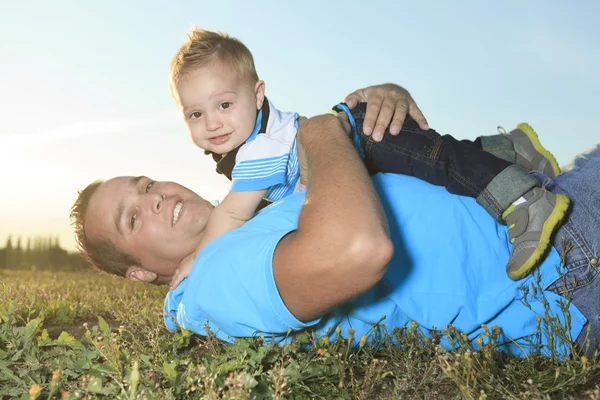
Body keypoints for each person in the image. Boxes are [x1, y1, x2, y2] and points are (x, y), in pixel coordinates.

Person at [71, 84, 600, 358]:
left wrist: (375, 101)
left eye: (145, 186)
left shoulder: (243, 220)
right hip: (559, 268)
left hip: (545, 216)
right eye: (133, 217)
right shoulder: (208, 285)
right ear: (139, 272)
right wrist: (325, 130)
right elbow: (356, 248)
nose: (156, 199)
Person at [167, 28, 568, 287]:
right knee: (432, 164)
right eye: (196, 114)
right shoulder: (247, 145)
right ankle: (511, 150)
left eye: (223, 104)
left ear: (257, 96)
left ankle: (525, 199)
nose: (213, 123)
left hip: (360, 139)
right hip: (353, 153)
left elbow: (233, 215)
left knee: (438, 162)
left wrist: (197, 257)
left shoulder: (257, 151)